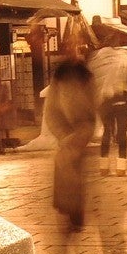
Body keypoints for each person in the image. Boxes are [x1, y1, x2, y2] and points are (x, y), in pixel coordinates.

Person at [43, 53, 98, 231]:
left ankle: (74, 210)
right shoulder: (60, 79)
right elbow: (51, 111)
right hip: (67, 133)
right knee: (67, 170)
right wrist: (64, 135)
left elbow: (92, 109)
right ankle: (68, 208)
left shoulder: (87, 77)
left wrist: (83, 134)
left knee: (74, 171)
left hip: (80, 133)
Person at [87, 37, 127, 175]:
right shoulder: (125, 59)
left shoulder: (96, 61)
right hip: (121, 99)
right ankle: (121, 167)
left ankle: (103, 166)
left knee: (107, 132)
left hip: (104, 102)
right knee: (122, 133)